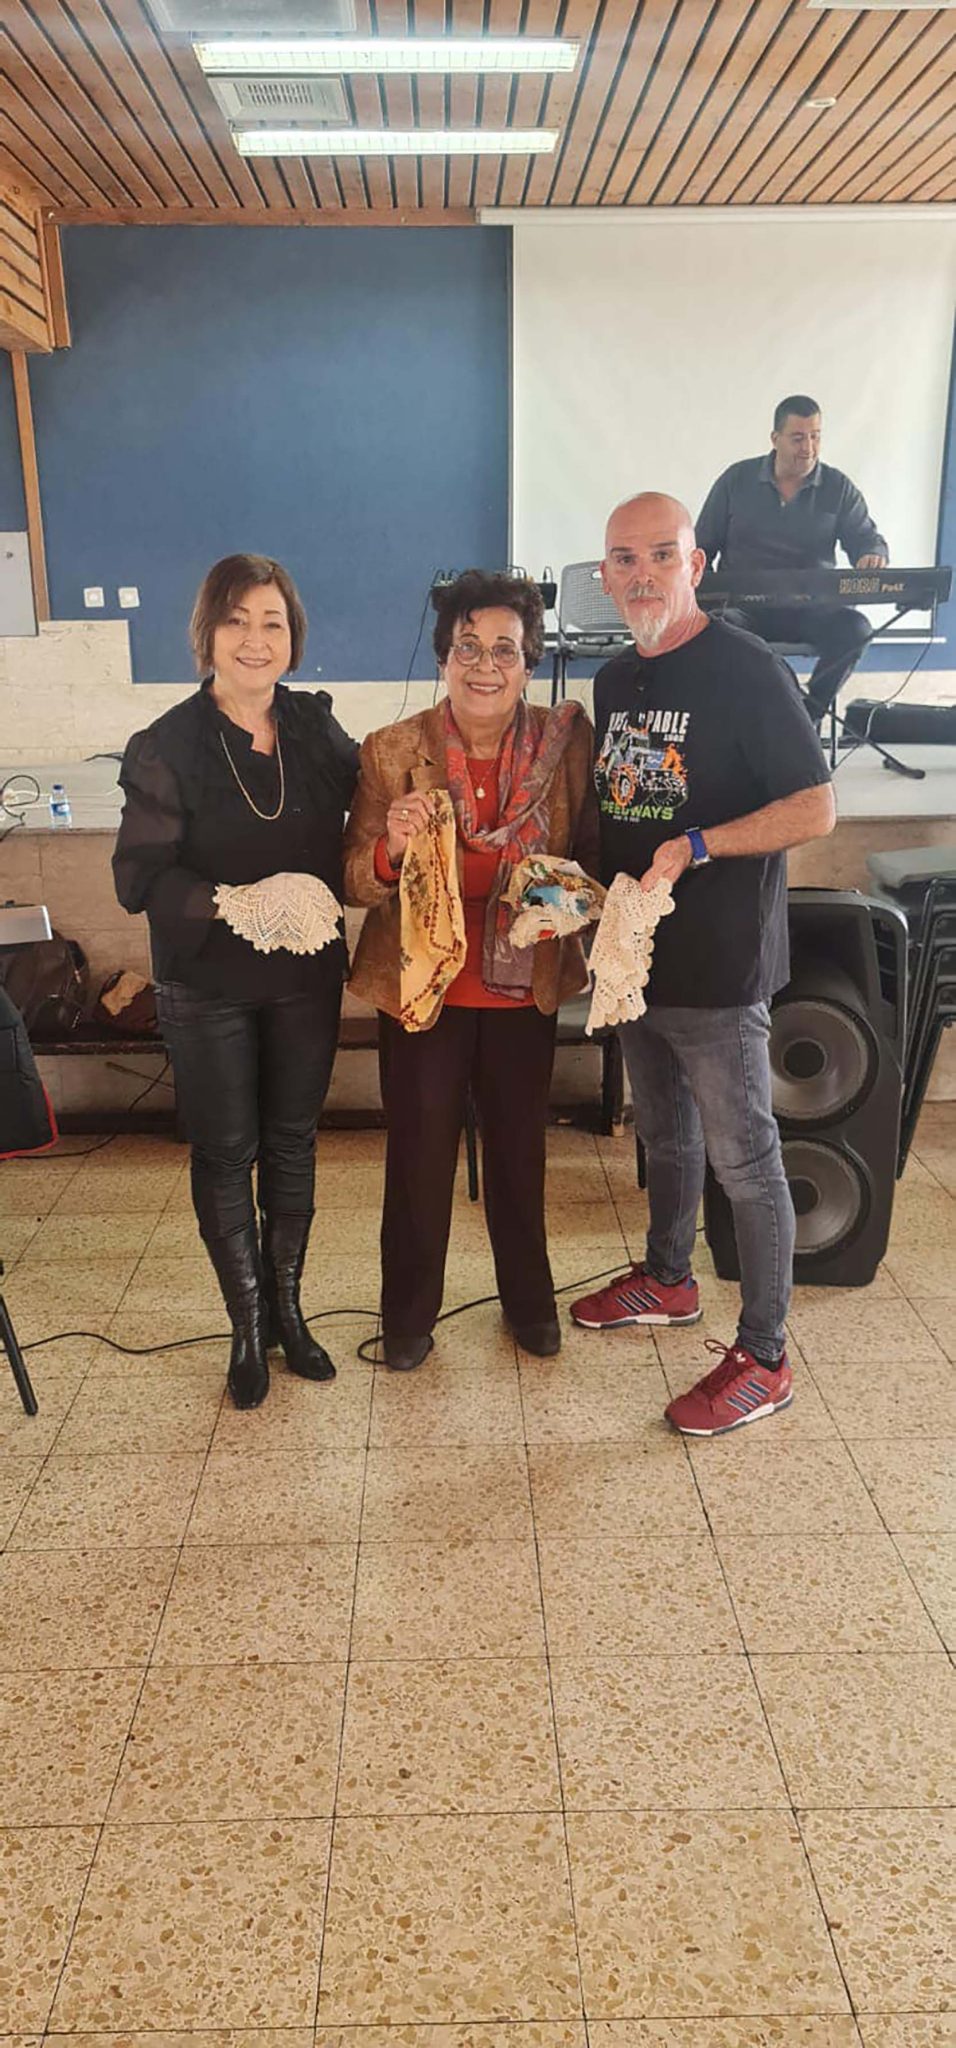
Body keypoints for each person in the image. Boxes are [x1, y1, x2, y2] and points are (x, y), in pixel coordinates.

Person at [570, 494, 836, 1436]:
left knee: (747, 1163)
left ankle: (765, 1358)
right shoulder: (614, 681)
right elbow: (623, 806)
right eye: (623, 558)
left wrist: (699, 845)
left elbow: (815, 808)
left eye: (661, 555)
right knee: (665, 1135)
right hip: (638, 959)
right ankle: (669, 1280)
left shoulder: (748, 668)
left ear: (695, 564)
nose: (642, 574)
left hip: (721, 966)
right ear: (605, 575)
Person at [113, 553, 359, 1410]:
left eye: (273, 623)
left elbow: (370, 806)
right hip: (206, 981)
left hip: (305, 976)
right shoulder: (167, 745)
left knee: (292, 1142)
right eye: (237, 620)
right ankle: (247, 1328)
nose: (256, 640)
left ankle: (289, 1311)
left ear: (293, 638)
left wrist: (401, 820)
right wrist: (232, 903)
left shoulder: (316, 729)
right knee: (226, 1152)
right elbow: (138, 878)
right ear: (207, 633)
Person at [344, 569, 599, 1373]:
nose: (485, 666)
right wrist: (390, 844)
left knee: (521, 1156)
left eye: (505, 650)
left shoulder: (565, 745)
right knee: (419, 1159)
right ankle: (408, 1318)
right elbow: (354, 880)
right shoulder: (392, 750)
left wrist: (564, 896)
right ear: (443, 658)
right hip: (422, 990)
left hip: (525, 984)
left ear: (529, 663)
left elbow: (592, 858)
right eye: (468, 648)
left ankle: (529, 1305)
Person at [696, 394, 889, 724]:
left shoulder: (838, 487)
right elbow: (701, 547)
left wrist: (872, 554)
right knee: (716, 629)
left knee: (856, 630)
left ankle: (805, 717)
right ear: (775, 439)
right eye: (798, 438)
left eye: (816, 436)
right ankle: (755, 718)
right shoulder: (736, 480)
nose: (808, 448)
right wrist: (702, 599)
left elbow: (867, 540)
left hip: (812, 609)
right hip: (745, 609)